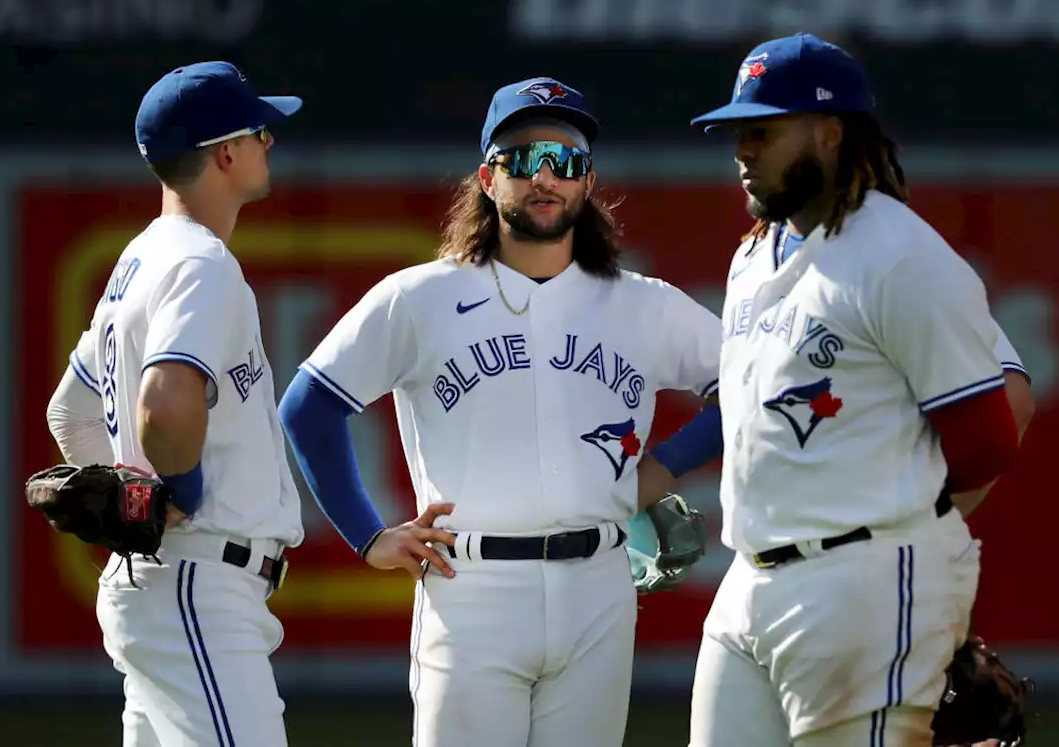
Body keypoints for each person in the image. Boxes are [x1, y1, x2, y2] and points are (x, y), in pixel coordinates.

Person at [277, 77, 724, 747]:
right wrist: (369, 536)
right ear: (487, 177)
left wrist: (662, 467)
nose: (545, 176)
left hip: (599, 586)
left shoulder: (641, 303)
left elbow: (751, 386)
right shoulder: (421, 296)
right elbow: (308, 406)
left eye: (565, 160)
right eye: (522, 158)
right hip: (471, 588)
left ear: (588, 181)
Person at [683, 33, 1034, 747]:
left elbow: (987, 438)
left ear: (831, 132)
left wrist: (903, 536)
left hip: (863, 580)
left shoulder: (900, 255)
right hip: (749, 581)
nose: (744, 150)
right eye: (737, 133)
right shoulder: (753, 254)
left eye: (764, 130)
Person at [44, 60, 305, 747]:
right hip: (195, 581)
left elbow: (68, 413)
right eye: (258, 130)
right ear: (226, 152)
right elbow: (162, 405)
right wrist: (173, 496)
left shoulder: (139, 259)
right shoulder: (200, 264)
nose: (268, 142)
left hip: (167, 580)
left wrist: (139, 507)